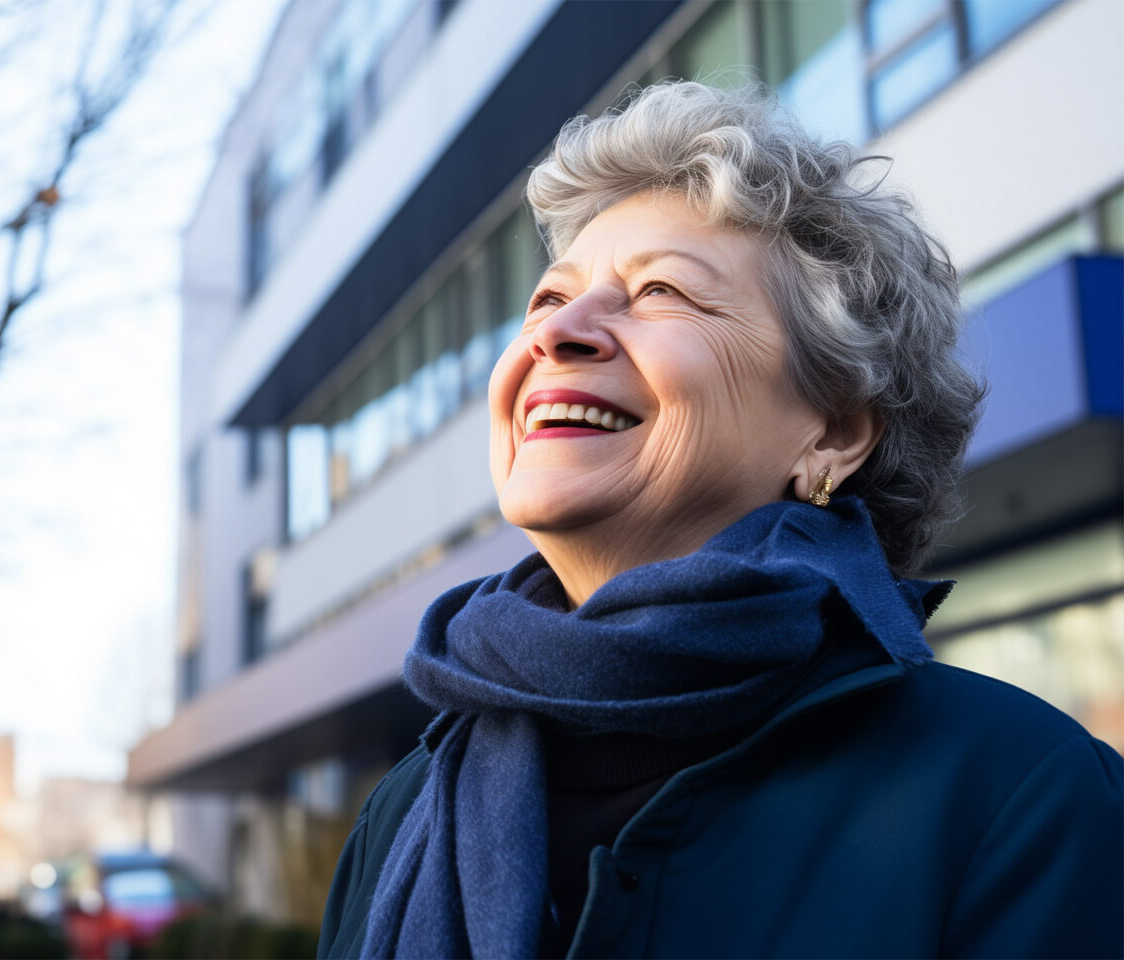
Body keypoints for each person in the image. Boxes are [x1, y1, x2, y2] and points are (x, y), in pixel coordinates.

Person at [316, 81, 1123, 960]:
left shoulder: (1018, 794)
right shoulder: (403, 810)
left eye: (663, 291)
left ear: (834, 431)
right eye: (549, 300)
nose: (562, 333)